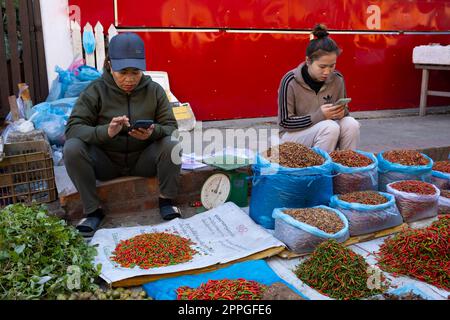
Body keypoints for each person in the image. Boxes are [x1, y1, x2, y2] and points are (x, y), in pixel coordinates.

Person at [64, 32, 182, 236]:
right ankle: (93, 211)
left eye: (135, 72)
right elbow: (73, 128)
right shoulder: (95, 90)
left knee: (173, 143)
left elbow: (171, 126)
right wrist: (105, 132)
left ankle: (166, 201)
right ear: (110, 65)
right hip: (106, 163)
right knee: (72, 148)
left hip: (142, 161)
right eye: (122, 72)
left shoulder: (154, 90)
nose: (129, 79)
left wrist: (153, 133)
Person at [277, 24, 360, 153]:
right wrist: (318, 116)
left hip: (327, 133)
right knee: (330, 127)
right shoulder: (290, 80)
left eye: (332, 66)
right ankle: (319, 170)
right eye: (322, 67)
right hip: (293, 136)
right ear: (308, 61)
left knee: (351, 124)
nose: (327, 71)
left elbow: (345, 114)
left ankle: (344, 170)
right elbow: (285, 123)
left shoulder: (337, 79)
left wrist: (342, 113)